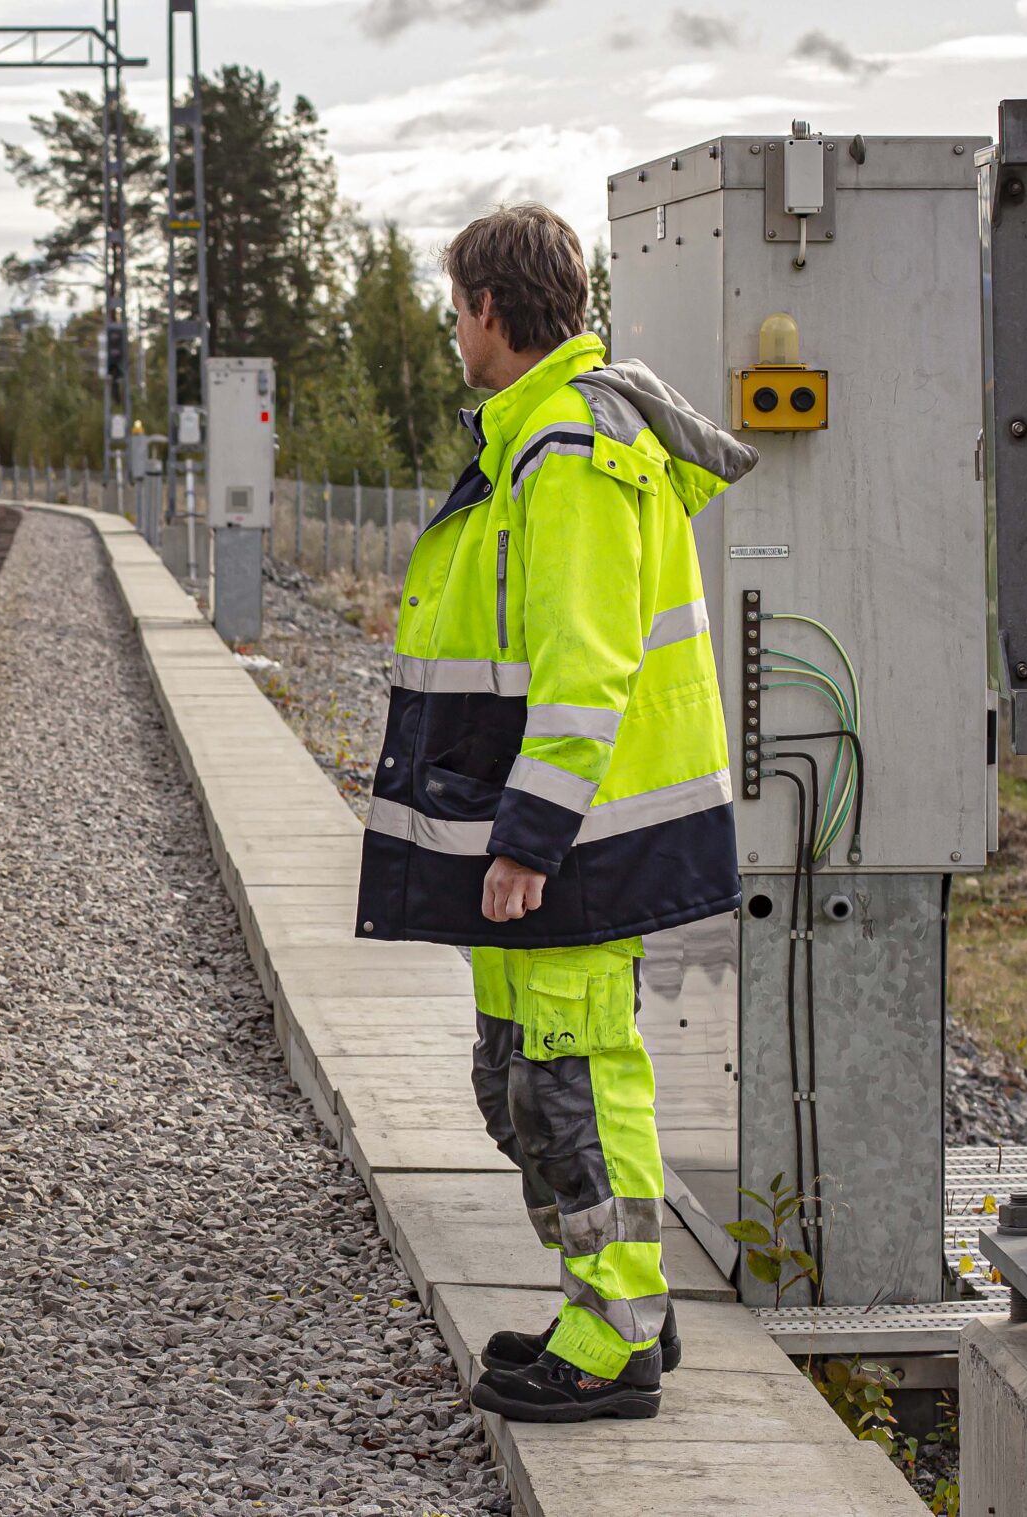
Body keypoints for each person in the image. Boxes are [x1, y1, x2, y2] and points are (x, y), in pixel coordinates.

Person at [353, 203, 753, 1423]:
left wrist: (531, 834)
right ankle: (617, 1299)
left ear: (489, 308)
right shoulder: (534, 436)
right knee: (524, 1077)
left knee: (571, 1080)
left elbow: (585, 666)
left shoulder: (570, 450)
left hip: (578, 832)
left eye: (455, 311)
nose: (453, 332)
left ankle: (613, 1337)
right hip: (545, 821)